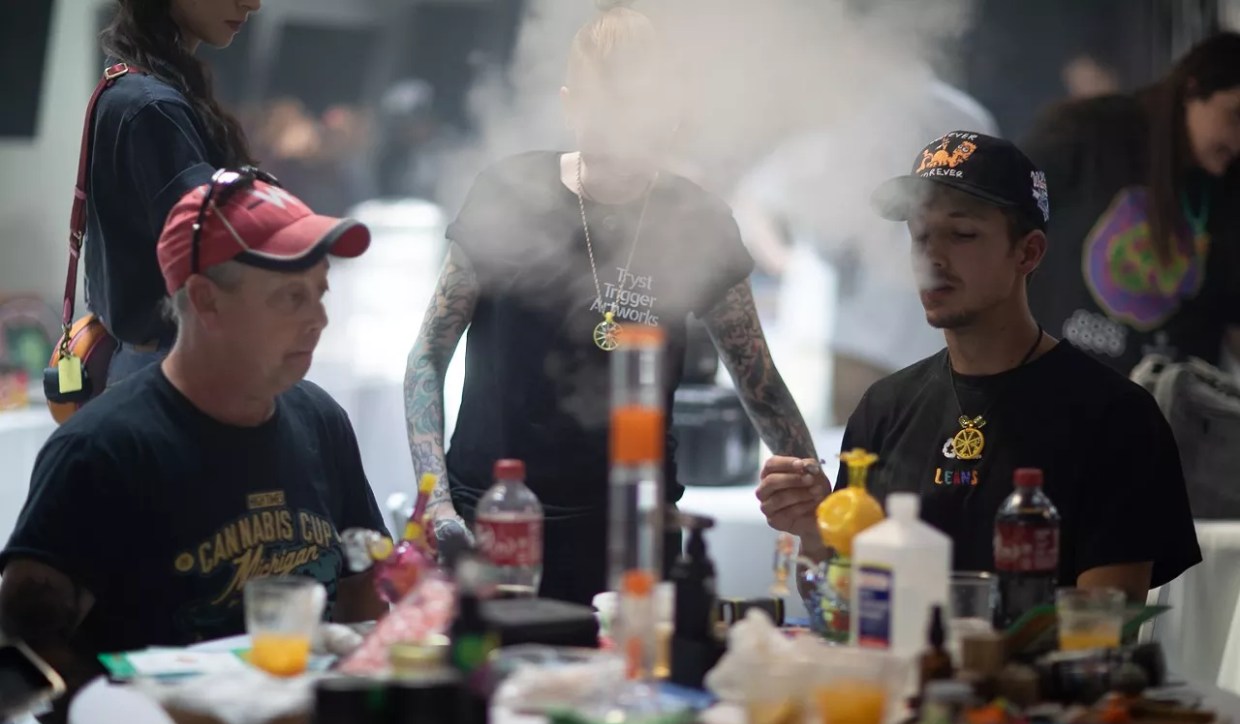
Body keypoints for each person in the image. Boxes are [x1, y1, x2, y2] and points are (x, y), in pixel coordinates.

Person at [0, 170, 386, 724]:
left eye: (321, 293)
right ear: (204, 300)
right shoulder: (104, 451)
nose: (319, 318)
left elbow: (358, 588)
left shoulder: (321, 422)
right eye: (291, 297)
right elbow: (23, 640)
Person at [405, 4, 817, 605]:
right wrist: (434, 500)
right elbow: (427, 356)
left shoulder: (696, 222)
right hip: (493, 521)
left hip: (634, 530)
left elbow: (759, 380)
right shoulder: (509, 193)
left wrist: (816, 499)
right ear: (571, 105)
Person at [756, 132, 1201, 605]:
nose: (933, 257)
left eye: (962, 234)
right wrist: (815, 529)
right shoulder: (885, 409)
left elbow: (1104, 631)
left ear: (1027, 253)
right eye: (920, 235)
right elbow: (843, 608)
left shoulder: (1114, 416)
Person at [732, 65, 999, 426]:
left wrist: (791, 266)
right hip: (900, 338)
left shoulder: (864, 115)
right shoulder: (964, 114)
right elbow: (755, 200)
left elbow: (753, 201)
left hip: (894, 340)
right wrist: (795, 269)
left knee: (877, 455)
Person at [1024, 32, 1240, 376]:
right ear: (1192, 89)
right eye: (1235, 115)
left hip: (1168, 412)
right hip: (1053, 381)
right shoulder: (1088, 131)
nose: (1237, 140)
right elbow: (1003, 225)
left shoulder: (1229, 189)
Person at [90, 0, 259, 386]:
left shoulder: (137, 90)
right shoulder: (151, 105)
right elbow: (214, 251)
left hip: (155, 361)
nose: (253, 4)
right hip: (168, 367)